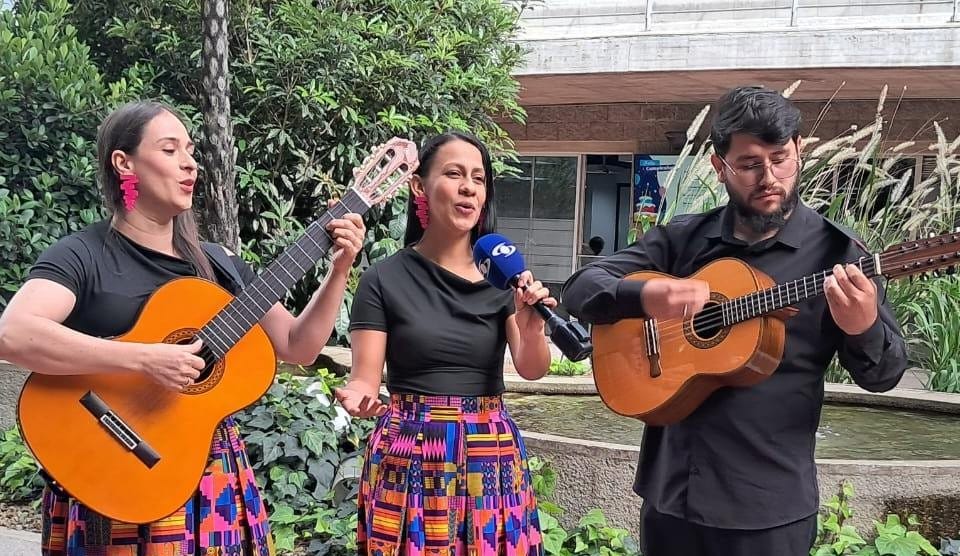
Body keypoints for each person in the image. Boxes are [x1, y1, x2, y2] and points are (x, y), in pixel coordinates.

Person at [0, 101, 365, 555]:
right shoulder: (83, 255)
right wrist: (145, 358)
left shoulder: (219, 262)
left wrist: (338, 271)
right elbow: (14, 333)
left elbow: (297, 346)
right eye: (170, 150)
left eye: (190, 150)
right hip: (112, 472)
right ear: (124, 162)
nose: (190, 163)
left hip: (210, 476)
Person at [561, 86, 908, 556]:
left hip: (767, 512)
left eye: (781, 158)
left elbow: (885, 375)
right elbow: (581, 287)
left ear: (799, 151)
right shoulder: (684, 240)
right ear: (719, 167)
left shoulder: (840, 256)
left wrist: (862, 325)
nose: (769, 176)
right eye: (748, 164)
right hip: (671, 498)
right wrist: (647, 293)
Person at [334, 131, 554, 555]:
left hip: (491, 450)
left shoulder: (504, 277)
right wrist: (359, 396)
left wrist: (531, 328)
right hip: (408, 447)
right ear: (420, 186)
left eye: (479, 178)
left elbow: (531, 367)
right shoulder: (383, 278)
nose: (469, 186)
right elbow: (364, 377)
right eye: (453, 174)